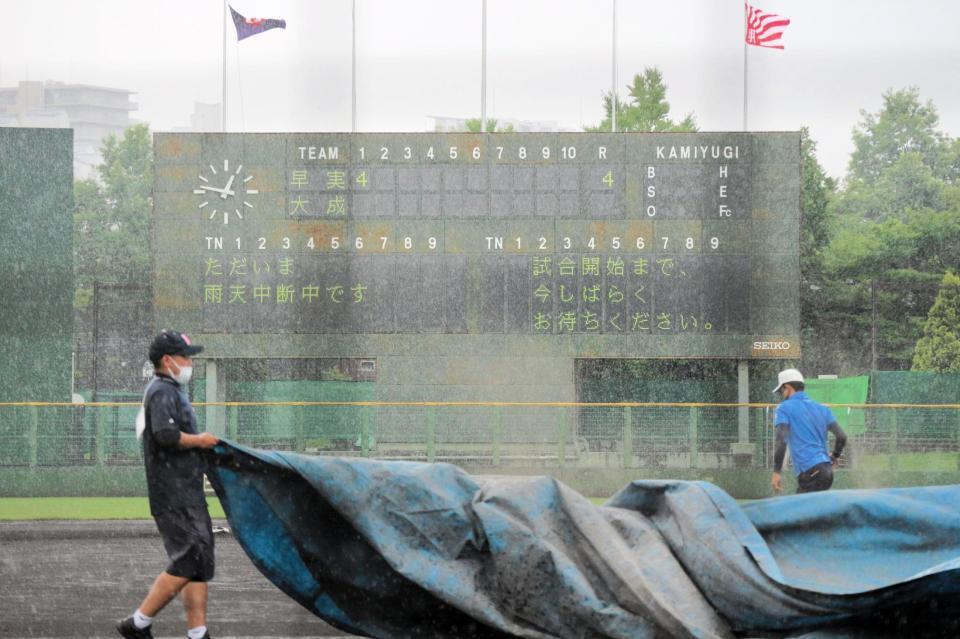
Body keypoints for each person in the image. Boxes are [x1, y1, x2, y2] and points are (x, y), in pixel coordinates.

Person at [117, 330, 219, 639]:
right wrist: (200, 440)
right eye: (185, 357)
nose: (189, 363)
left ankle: (198, 633)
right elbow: (165, 435)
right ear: (167, 360)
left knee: (200, 561)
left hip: (185, 491)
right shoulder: (161, 390)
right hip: (173, 494)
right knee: (189, 557)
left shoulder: (172, 390)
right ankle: (137, 623)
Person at [770, 368, 848, 494]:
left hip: (810, 471)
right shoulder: (822, 409)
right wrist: (835, 456)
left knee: (800, 511)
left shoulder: (784, 408)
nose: (781, 394)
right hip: (826, 471)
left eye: (781, 391)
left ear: (787, 387)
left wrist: (776, 472)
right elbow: (842, 436)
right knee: (816, 511)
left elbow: (781, 440)